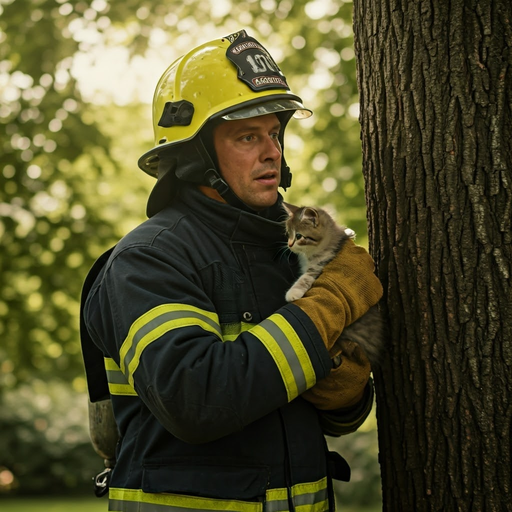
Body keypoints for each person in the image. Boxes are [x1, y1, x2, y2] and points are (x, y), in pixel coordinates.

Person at [80, 29, 383, 512]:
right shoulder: (148, 260)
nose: (272, 152)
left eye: (274, 133)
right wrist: (333, 303)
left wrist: (344, 391)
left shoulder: (287, 257)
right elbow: (197, 399)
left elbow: (337, 416)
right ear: (195, 156)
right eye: (247, 136)